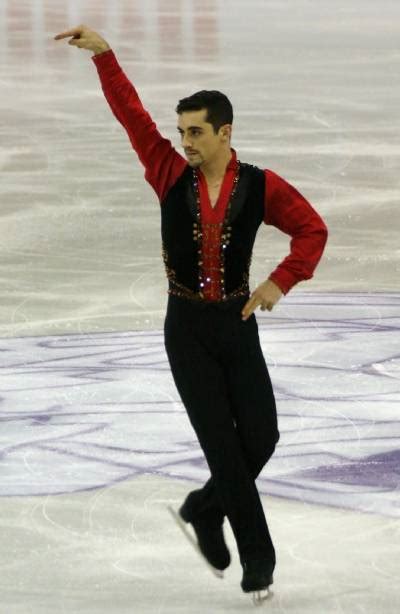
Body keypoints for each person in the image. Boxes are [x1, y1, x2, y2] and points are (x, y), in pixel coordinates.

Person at [54, 25, 328, 599]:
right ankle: (258, 560)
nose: (186, 141)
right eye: (181, 131)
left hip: (237, 322)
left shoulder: (259, 186)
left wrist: (281, 281)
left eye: (197, 132)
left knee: (263, 436)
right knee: (224, 447)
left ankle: (205, 508)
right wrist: (105, 57)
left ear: (226, 132)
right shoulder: (167, 173)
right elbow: (132, 118)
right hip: (187, 331)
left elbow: (311, 229)